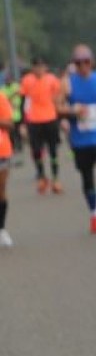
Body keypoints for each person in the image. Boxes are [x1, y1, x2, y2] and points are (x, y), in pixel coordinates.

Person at [58, 45, 96, 234]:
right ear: (74, 64)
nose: (83, 66)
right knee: (87, 177)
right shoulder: (67, 82)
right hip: (80, 139)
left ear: (92, 62)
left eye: (86, 62)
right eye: (78, 63)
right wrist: (72, 110)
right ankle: (94, 214)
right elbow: (57, 107)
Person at [22, 56, 63, 194]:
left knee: (53, 150)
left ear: (45, 67)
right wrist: (23, 123)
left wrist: (62, 119)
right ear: (32, 68)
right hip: (34, 120)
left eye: (41, 66)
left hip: (50, 118)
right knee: (36, 151)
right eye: (36, 67)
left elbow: (58, 99)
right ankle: (42, 177)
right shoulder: (27, 81)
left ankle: (56, 179)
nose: (39, 69)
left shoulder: (52, 80)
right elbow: (24, 101)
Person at [0, 90, 15, 246]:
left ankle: (1, 229)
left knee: (1, 190)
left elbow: (10, 124)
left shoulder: (1, 98)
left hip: (1, 151)